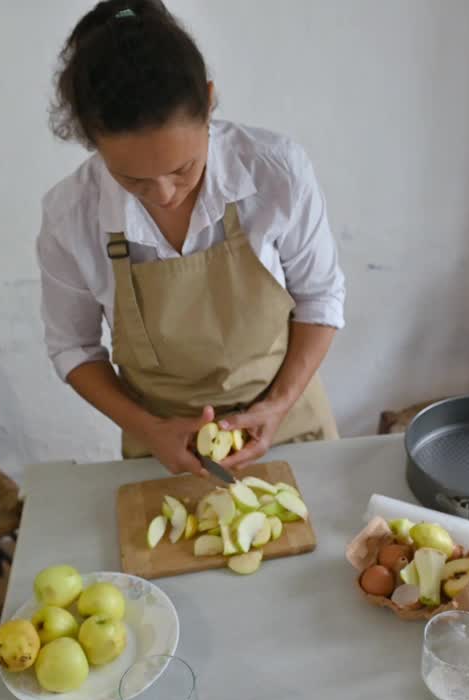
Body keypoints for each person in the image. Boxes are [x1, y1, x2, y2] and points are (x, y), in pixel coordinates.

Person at [38, 0, 345, 476]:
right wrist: (147, 428)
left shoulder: (275, 172)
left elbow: (320, 298)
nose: (162, 195)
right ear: (91, 141)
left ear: (208, 102)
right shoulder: (70, 216)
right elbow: (73, 348)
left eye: (183, 169)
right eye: (132, 179)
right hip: (162, 441)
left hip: (287, 417)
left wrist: (279, 405)